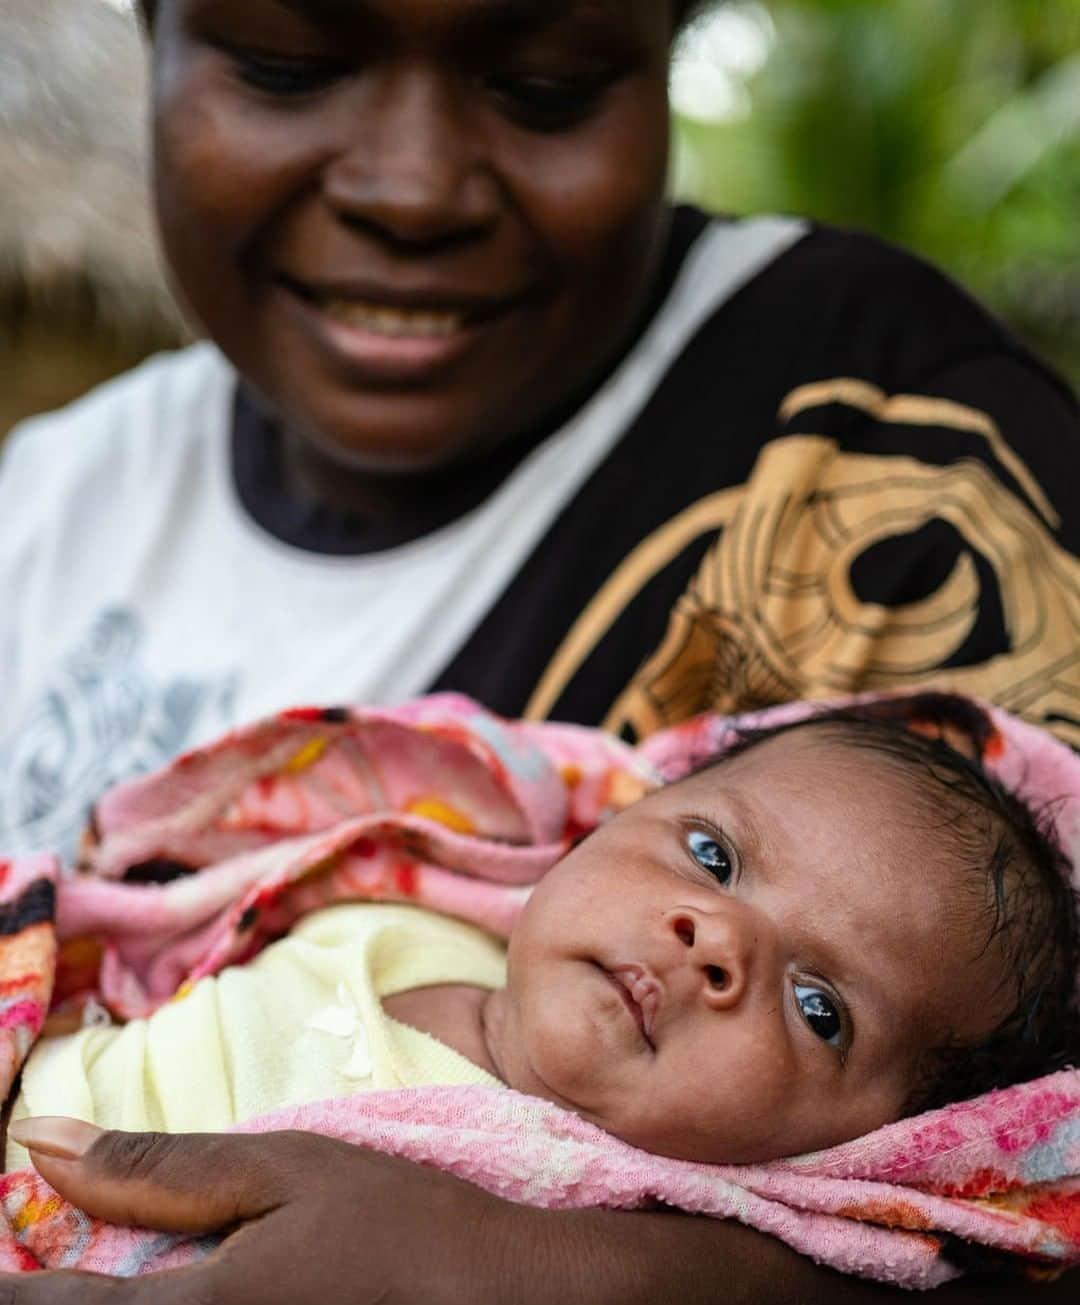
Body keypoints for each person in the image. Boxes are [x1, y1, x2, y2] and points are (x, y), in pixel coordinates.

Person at [0, 0, 1077, 1300]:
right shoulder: (54, 495)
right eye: (288, 67)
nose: (412, 188)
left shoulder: (890, 462)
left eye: (549, 86)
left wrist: (592, 1269)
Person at [6, 704, 1077, 1180]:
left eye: (819, 1009)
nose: (714, 941)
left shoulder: (550, 1215)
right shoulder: (397, 918)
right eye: (710, 854)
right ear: (611, 815)